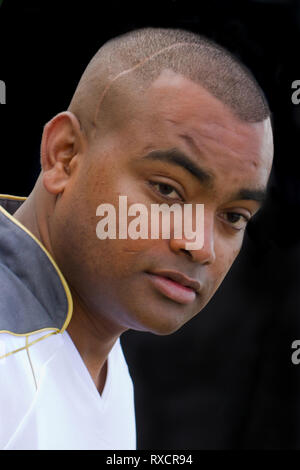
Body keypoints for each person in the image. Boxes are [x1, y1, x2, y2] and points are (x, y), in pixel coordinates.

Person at [0, 27, 273, 450]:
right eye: (167, 189)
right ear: (65, 155)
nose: (200, 245)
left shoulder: (96, 347)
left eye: (234, 216)